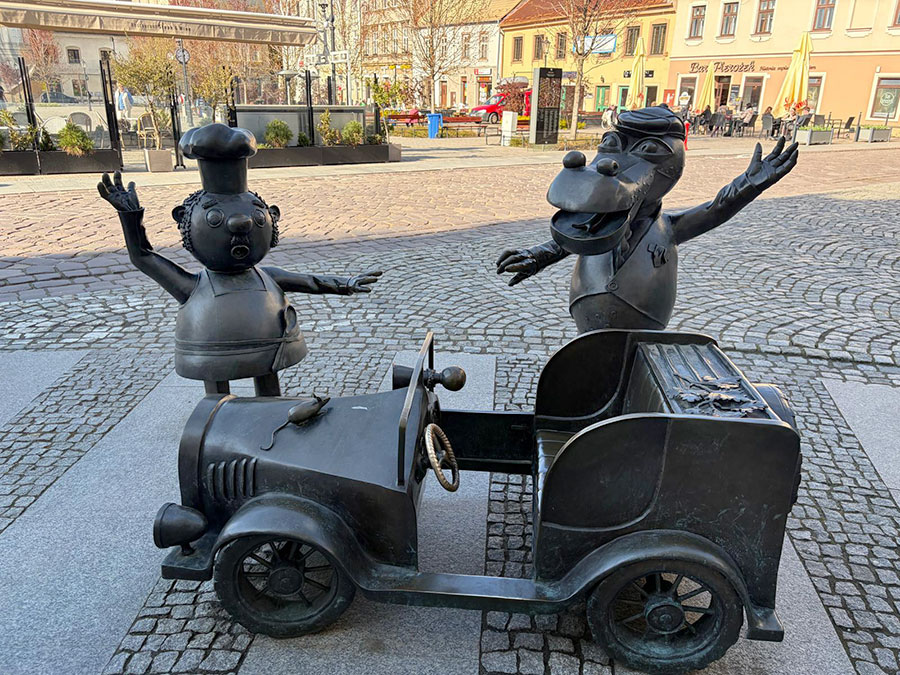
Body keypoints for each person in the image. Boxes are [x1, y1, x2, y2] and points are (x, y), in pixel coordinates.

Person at [98, 124, 382, 397]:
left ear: (272, 217)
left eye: (258, 217)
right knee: (217, 394)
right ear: (184, 221)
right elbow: (143, 257)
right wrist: (130, 217)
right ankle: (218, 415)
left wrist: (345, 284)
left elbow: (310, 282)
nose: (241, 223)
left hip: (270, 347)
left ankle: (268, 410)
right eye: (214, 218)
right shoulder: (196, 287)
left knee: (268, 384)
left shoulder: (266, 277)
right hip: (212, 348)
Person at [496, 106, 799, 333]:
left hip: (645, 323)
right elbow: (575, 234)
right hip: (588, 316)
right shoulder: (599, 216)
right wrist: (537, 255)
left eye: (649, 151)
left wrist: (749, 184)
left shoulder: (668, 228)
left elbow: (716, 209)